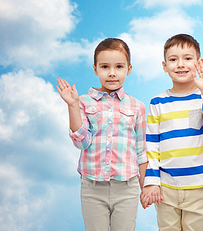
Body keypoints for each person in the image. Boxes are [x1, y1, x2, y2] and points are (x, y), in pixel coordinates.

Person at [56, 38, 147, 231]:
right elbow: (81, 142)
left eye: (119, 66)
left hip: (127, 187)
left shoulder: (137, 106)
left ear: (128, 69)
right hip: (92, 186)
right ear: (95, 69)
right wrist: (72, 106)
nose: (112, 73)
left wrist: (145, 187)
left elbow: (141, 151)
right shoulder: (83, 101)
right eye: (105, 66)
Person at [140, 34, 203, 231]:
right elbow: (151, 144)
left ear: (198, 62)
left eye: (187, 58)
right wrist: (151, 182)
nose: (180, 64)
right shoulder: (157, 102)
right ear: (164, 65)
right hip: (166, 186)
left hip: (198, 185)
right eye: (173, 59)